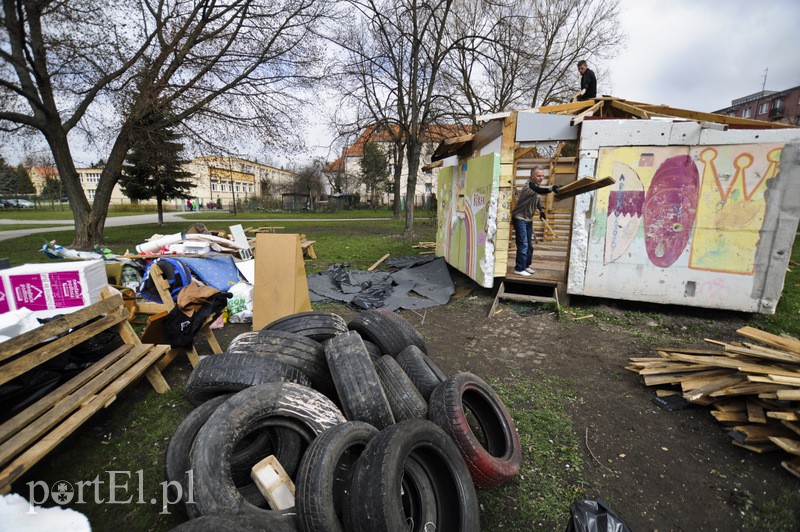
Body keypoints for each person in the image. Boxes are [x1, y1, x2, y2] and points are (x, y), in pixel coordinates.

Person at [511, 166, 559, 276]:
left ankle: (525, 266)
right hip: (520, 218)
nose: (541, 178)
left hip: (528, 219)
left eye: (543, 176)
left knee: (529, 246)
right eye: (538, 176)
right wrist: (552, 188)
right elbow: (540, 191)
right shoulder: (529, 186)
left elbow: (538, 201)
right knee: (523, 245)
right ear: (532, 176)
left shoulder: (536, 187)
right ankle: (518, 269)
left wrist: (542, 211)